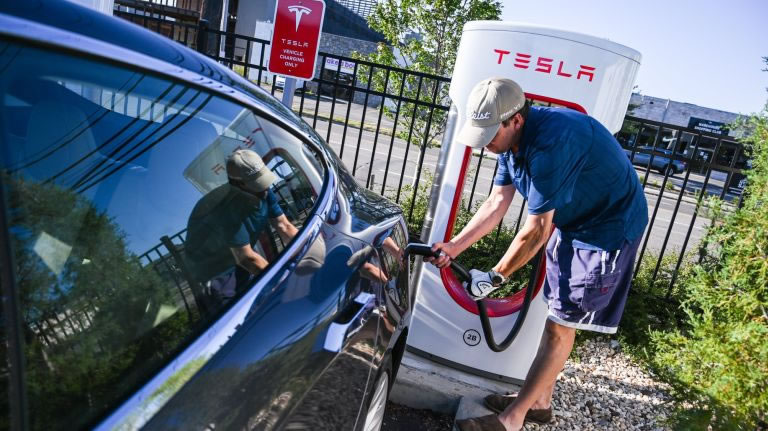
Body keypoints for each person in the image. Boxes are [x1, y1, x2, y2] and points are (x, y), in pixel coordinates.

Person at [429, 78, 648, 431]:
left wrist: (496, 276)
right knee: (556, 313)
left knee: (561, 326)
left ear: (515, 120)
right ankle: (539, 403)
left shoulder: (552, 142)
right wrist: (454, 246)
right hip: (575, 223)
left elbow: (536, 231)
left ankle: (512, 419)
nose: (486, 145)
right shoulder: (510, 146)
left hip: (607, 231)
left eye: (490, 134)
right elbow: (496, 202)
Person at [185, 149, 298, 300]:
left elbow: (284, 226)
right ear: (237, 184)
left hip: (238, 261)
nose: (264, 189)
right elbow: (246, 258)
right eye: (258, 184)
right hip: (217, 273)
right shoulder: (225, 208)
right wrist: (282, 287)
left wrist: (310, 255)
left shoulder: (262, 190)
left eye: (263, 180)